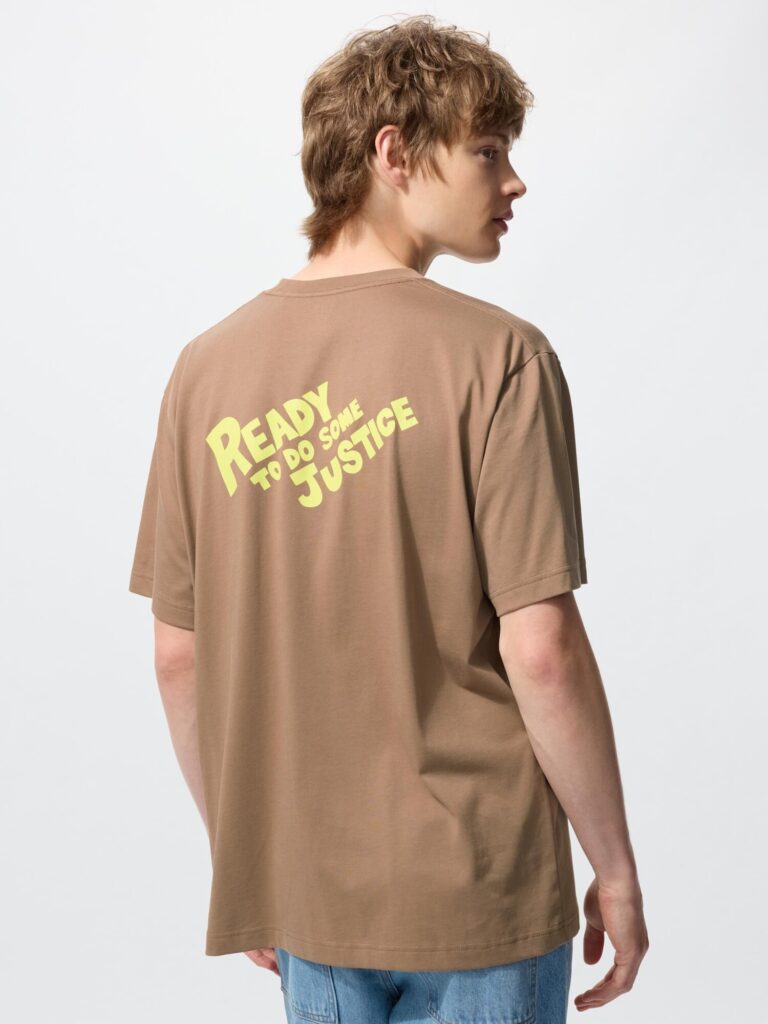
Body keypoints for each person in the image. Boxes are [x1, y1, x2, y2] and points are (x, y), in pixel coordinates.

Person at [128, 14, 649, 1023]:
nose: (515, 182)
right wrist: (616, 870)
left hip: (308, 891)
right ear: (393, 153)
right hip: (482, 889)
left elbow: (178, 656)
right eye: (488, 150)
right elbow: (541, 650)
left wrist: (247, 860)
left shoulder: (205, 370)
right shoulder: (501, 358)